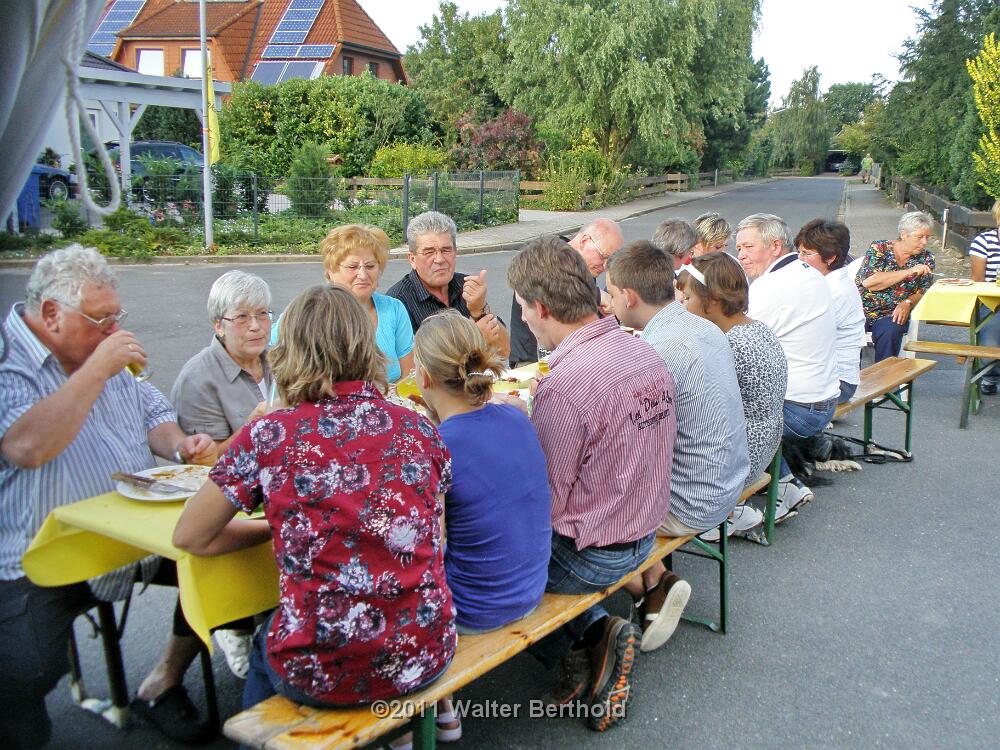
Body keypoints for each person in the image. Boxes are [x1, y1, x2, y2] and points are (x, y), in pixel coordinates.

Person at [173, 284, 456, 713]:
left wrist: (269, 531)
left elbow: (190, 535)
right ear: (366, 345)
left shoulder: (271, 434)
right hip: (425, 648)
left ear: (289, 349)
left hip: (325, 667)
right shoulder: (417, 427)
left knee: (264, 642)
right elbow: (435, 537)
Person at [0, 245, 215, 749]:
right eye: (101, 319)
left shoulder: (102, 351)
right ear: (52, 314)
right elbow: (26, 447)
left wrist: (180, 444)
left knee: (224, 556)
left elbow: (151, 413)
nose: (112, 331)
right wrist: (96, 368)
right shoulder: (11, 363)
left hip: (137, 534)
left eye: (117, 318)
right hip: (42, 552)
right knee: (23, 671)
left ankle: (161, 681)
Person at [506, 235, 676, 731]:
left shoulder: (566, 384)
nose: (524, 319)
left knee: (484, 561)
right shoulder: (641, 352)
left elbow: (545, 504)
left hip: (593, 555)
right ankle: (588, 644)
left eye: (522, 309)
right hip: (644, 533)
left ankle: (588, 637)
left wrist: (517, 429)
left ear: (541, 306)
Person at [606, 242, 750, 651]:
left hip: (692, 502)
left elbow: (633, 446)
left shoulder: (656, 351)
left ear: (629, 297)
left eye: (612, 294)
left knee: (581, 506)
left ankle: (643, 590)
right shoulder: (701, 326)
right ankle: (657, 585)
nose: (610, 302)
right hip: (728, 481)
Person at [412, 310, 551, 634]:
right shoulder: (516, 417)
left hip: (474, 608)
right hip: (531, 587)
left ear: (424, 377)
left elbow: (429, 546)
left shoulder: (438, 447)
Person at [168, 269, 274, 681]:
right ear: (218, 325)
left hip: (272, 491)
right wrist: (251, 431)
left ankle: (263, 618)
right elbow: (202, 467)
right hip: (228, 503)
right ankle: (233, 620)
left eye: (263, 314)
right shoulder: (199, 378)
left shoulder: (279, 360)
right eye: (242, 317)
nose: (255, 326)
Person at [737, 214, 840, 519]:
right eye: (738, 247)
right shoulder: (806, 271)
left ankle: (729, 511)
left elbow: (740, 344)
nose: (741, 255)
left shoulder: (771, 287)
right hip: (823, 400)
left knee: (721, 420)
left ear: (775, 246)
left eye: (748, 246)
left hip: (798, 408)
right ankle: (786, 487)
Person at [675, 252, 787, 496]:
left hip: (736, 462)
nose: (682, 304)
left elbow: (697, 407)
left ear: (713, 300)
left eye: (687, 297)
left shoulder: (728, 345)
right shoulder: (758, 329)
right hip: (764, 447)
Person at [272, 224, 414, 383]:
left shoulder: (394, 309)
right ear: (330, 271)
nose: (363, 274)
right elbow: (272, 362)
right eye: (353, 266)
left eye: (370, 266)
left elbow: (408, 375)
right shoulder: (306, 312)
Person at [387, 211, 510, 359]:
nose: (439, 259)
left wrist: (479, 309)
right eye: (429, 252)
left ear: (455, 252)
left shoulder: (466, 286)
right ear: (412, 259)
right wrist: (474, 339)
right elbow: (419, 367)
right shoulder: (397, 301)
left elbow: (504, 351)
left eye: (446, 250)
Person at [508, 218, 624, 366]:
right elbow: (553, 287)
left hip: (565, 358)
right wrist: (598, 295)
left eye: (610, 260)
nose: (605, 265)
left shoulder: (584, 268)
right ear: (584, 242)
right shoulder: (550, 254)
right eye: (603, 256)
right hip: (531, 360)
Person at [795, 220, 866, 403]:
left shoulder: (834, 291)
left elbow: (804, 341)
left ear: (830, 257)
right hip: (826, 376)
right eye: (799, 252)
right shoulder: (825, 282)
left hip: (839, 383)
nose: (800, 259)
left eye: (807, 254)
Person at [856, 211, 935, 362]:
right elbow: (869, 282)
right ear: (904, 234)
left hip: (892, 312)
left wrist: (907, 302)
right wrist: (909, 271)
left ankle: (884, 378)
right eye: (919, 237)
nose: (924, 242)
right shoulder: (880, 248)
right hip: (861, 309)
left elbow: (923, 291)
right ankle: (849, 380)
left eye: (927, 237)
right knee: (847, 332)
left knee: (891, 330)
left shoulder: (927, 258)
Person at [967, 198, 1000, 394]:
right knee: (992, 329)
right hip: (991, 300)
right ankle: (990, 375)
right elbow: (978, 280)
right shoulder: (984, 241)